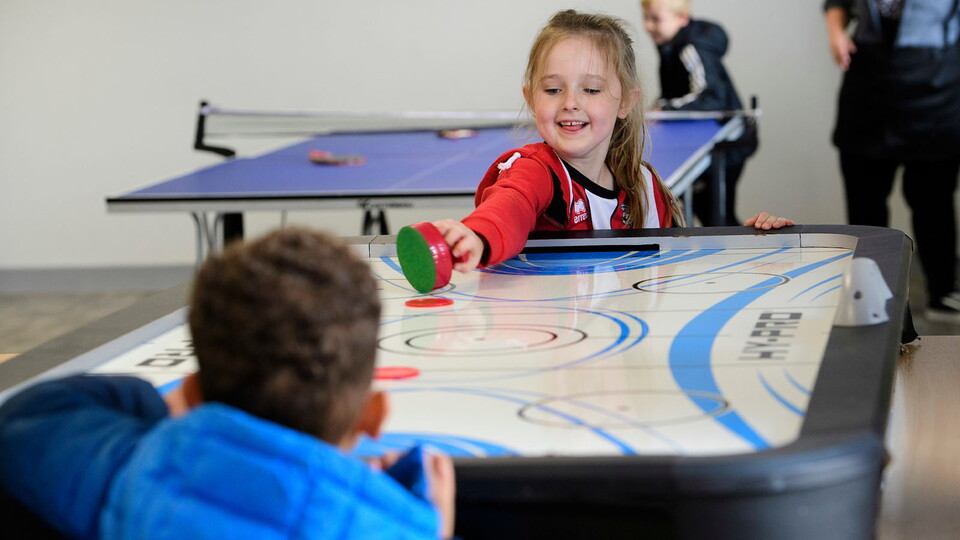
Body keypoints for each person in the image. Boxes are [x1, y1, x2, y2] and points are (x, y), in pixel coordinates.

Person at [0, 228, 456, 540]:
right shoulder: (398, 525)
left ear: (191, 394)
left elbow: (30, 416)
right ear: (373, 415)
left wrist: (152, 406)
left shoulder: (128, 475)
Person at [434, 9, 791, 273]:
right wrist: (478, 236)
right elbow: (508, 207)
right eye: (553, 90)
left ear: (626, 102)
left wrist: (747, 245)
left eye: (591, 89)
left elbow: (679, 265)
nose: (570, 102)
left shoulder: (645, 186)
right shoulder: (536, 172)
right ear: (530, 98)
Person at [823, 0, 960, 321]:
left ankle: (942, 292)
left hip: (937, 86)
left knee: (934, 202)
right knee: (865, 204)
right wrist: (836, 32)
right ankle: (872, 295)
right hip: (867, 87)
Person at [640, 0, 757, 226]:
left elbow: (711, 98)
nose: (648, 26)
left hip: (725, 142)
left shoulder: (691, 47)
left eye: (656, 19)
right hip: (699, 143)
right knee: (694, 212)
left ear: (682, 18)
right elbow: (678, 91)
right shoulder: (670, 43)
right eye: (646, 18)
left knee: (717, 220)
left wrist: (666, 109)